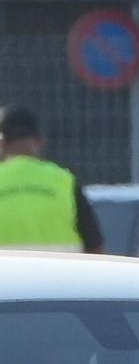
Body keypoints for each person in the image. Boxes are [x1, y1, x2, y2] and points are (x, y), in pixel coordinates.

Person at [0, 105, 103, 253]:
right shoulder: (65, 181)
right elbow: (95, 246)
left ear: (2, 143)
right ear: (40, 140)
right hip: (62, 275)